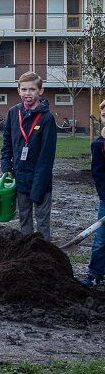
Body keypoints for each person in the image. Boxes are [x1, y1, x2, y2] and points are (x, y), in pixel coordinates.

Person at [1, 71, 57, 241]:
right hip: (20, 176)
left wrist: (38, 186)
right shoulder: (13, 113)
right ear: (18, 91)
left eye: (32, 89)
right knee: (24, 219)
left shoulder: (47, 118)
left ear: (40, 90)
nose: (27, 93)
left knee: (42, 221)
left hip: (40, 178)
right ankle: (27, 255)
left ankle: (44, 255)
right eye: (24, 89)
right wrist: (6, 169)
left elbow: (47, 157)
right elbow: (6, 144)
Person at [82, 99, 105, 286]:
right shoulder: (99, 144)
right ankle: (95, 274)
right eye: (103, 111)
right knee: (101, 238)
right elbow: (98, 175)